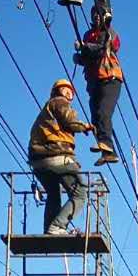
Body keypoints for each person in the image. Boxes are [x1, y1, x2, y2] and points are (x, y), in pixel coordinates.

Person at [28, 79, 93, 235]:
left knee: (53, 194)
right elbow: (69, 121)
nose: (69, 92)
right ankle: (57, 226)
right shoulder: (58, 102)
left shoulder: (48, 110)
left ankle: (50, 228)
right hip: (55, 154)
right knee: (80, 192)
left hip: (38, 161)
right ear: (57, 91)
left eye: (71, 91)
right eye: (65, 89)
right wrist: (85, 126)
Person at [73, 8, 122, 166]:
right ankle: (108, 151)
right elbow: (90, 56)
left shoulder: (108, 32)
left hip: (110, 78)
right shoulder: (88, 35)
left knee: (103, 112)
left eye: (99, 14)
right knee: (95, 118)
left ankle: (106, 144)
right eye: (94, 14)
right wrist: (79, 57)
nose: (96, 17)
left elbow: (104, 47)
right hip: (94, 81)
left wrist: (84, 47)